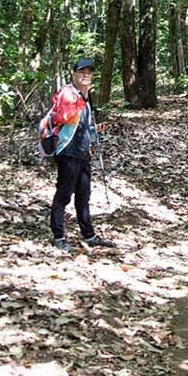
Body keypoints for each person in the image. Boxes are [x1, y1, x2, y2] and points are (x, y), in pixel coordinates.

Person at [49, 58, 114, 253]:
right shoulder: (67, 93)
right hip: (68, 151)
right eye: (81, 71)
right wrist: (83, 97)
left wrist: (95, 130)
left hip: (82, 152)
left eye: (89, 72)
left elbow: (80, 126)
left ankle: (89, 235)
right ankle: (58, 236)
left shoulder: (85, 97)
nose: (86, 75)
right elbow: (63, 118)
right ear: (74, 74)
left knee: (84, 196)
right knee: (63, 195)